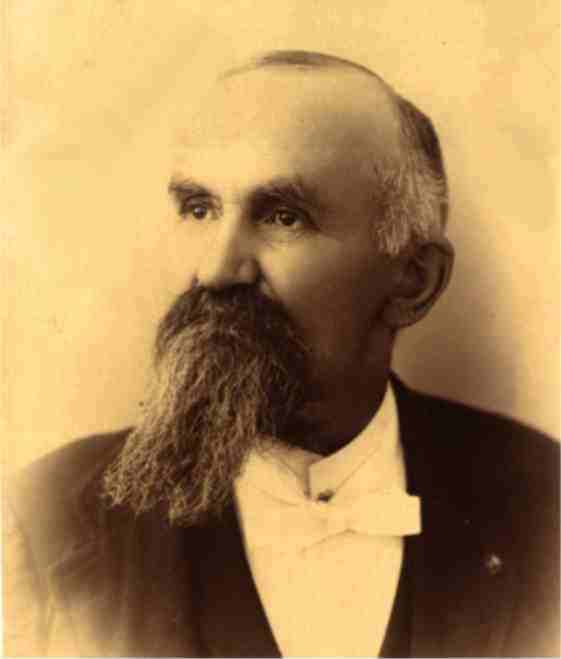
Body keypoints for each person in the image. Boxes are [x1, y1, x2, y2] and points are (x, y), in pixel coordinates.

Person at [5, 51, 559, 658]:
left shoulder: (544, 504)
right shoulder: (43, 519)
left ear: (414, 281)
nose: (216, 270)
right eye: (198, 209)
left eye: (284, 217)